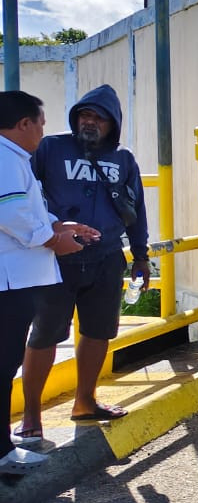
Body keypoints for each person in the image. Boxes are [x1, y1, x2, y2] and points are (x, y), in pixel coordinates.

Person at [19, 84, 148, 439]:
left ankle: (85, 402)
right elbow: (23, 191)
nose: (89, 122)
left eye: (98, 118)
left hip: (106, 258)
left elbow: (136, 209)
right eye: (84, 116)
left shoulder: (123, 159)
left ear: (113, 123)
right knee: (44, 335)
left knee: (98, 332)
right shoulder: (50, 148)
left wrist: (141, 255)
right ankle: (31, 416)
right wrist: (47, 229)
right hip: (56, 259)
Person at [2, 92, 101, 471]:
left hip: (16, 279)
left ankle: (3, 446)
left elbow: (26, 209)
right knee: (3, 363)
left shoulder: (13, 158)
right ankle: (3, 452)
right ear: (24, 123)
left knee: (6, 362)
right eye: (40, 124)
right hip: (9, 281)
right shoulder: (5, 158)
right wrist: (52, 240)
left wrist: (59, 226)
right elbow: (11, 213)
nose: (43, 133)